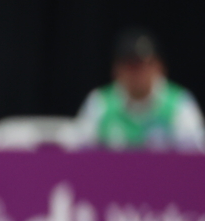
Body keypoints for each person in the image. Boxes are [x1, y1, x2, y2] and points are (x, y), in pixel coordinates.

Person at [74, 29, 204, 152]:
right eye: (131, 66)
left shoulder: (179, 103)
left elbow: (196, 154)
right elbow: (78, 149)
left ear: (159, 67)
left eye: (144, 65)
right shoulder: (100, 102)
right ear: (116, 70)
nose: (138, 73)